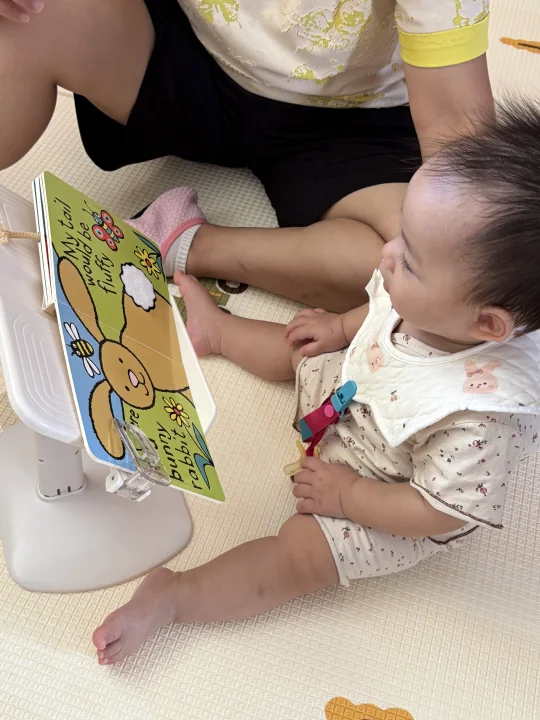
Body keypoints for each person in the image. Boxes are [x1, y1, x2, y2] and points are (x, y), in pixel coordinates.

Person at [91, 105, 540, 665]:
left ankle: (174, 598)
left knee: (299, 557)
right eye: (401, 236)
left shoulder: (481, 417)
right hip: (355, 392)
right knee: (300, 347)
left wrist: (348, 496)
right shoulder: (433, 298)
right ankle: (219, 331)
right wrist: (341, 327)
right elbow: (382, 310)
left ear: (487, 325)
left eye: (410, 262)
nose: (387, 254)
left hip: (385, 491)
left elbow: (437, 510)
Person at [0, 0, 493, 311]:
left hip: (350, 124)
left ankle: (183, 240)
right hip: (192, 54)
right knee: (25, 16)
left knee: (430, 278)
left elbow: (455, 124)